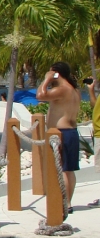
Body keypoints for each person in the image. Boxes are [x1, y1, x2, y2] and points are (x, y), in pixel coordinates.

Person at [35, 62, 81, 208]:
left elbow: (40, 95)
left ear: (57, 73)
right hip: (71, 132)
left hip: (63, 133)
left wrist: (47, 79)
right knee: (68, 170)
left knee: (64, 170)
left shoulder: (62, 89)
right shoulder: (74, 90)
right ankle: (67, 202)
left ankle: (65, 203)